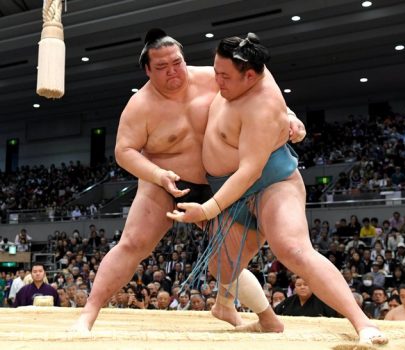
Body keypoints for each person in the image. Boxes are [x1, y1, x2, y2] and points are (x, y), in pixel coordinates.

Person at [72, 28, 306, 332]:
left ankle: (247, 312)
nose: (173, 72)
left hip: (215, 182)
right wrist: (157, 174)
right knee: (133, 243)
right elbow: (124, 151)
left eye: (177, 63)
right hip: (163, 182)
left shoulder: (213, 76)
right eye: (162, 67)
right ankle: (88, 315)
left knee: (227, 255)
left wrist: (289, 115)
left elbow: (260, 93)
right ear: (147, 69)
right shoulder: (139, 106)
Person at [168, 33, 388, 345]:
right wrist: (292, 116)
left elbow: (249, 172)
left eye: (224, 76)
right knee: (221, 266)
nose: (217, 81)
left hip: (272, 183)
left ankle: (363, 324)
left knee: (292, 249)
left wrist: (207, 208)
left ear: (250, 76)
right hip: (233, 187)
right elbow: (279, 109)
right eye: (215, 71)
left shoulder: (262, 105)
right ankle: (236, 309)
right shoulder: (249, 63)